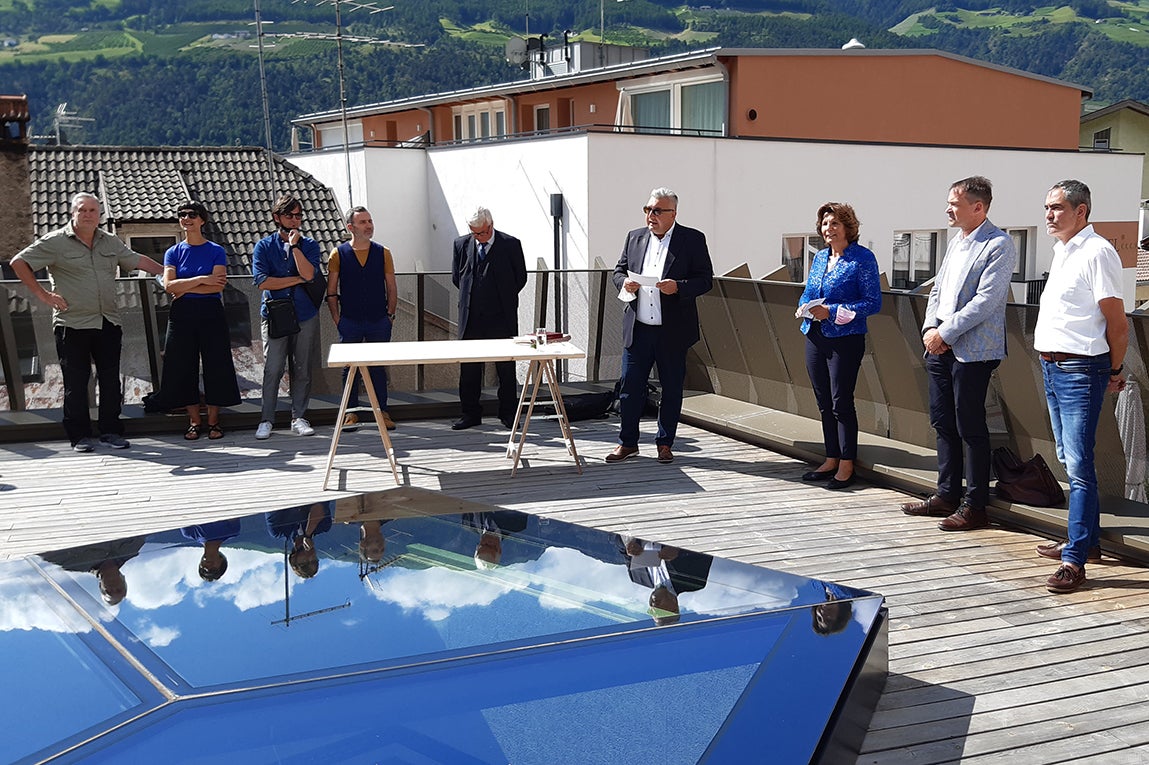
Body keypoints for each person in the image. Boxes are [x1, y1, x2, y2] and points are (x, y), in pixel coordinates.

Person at [901, 177, 1016, 530]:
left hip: (973, 351)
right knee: (942, 421)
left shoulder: (999, 244)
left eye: (954, 203)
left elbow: (986, 301)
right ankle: (946, 494)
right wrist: (929, 329)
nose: (948, 209)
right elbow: (937, 290)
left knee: (970, 425)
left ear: (978, 207)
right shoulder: (956, 241)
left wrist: (945, 333)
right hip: (939, 345)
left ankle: (975, 506)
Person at [9, 192, 163, 453]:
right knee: (76, 383)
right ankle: (79, 436)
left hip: (107, 321)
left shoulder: (109, 241)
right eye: (82, 210)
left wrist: (170, 272)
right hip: (72, 324)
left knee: (111, 381)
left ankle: (111, 432)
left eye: (93, 210)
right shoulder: (55, 241)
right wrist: (43, 295)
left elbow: (136, 260)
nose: (88, 214)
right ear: (73, 213)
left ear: (99, 214)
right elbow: (18, 263)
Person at [1033, 179, 1127, 594]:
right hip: (1052, 367)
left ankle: (1074, 561)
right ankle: (1085, 542)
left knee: (1079, 465)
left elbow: (1118, 323)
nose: (1049, 215)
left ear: (1081, 211)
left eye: (1056, 207)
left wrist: (1114, 369)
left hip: (1081, 370)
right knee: (1067, 456)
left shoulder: (1098, 252)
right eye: (1047, 207)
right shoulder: (1063, 251)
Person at [607, 187, 714, 465]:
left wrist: (678, 287)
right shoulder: (634, 237)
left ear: (673, 214)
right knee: (630, 388)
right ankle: (627, 443)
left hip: (672, 331)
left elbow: (705, 280)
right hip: (639, 328)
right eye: (647, 209)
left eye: (656, 210)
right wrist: (624, 283)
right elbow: (618, 271)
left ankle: (665, 444)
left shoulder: (692, 239)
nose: (650, 216)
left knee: (671, 389)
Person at [795, 202, 881, 489]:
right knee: (823, 402)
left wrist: (831, 311)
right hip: (814, 335)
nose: (828, 229)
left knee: (840, 402)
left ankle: (847, 464)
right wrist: (805, 306)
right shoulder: (820, 257)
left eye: (834, 223)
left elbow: (873, 302)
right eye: (825, 224)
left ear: (847, 227)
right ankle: (831, 458)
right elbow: (808, 290)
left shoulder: (862, 258)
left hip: (846, 339)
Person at [157, 200, 242, 441]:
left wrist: (185, 287)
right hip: (181, 314)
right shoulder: (173, 252)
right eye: (182, 214)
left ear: (202, 220)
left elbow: (217, 286)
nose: (186, 218)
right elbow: (168, 286)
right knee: (183, 365)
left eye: (192, 214)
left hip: (210, 311)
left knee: (216, 364)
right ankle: (194, 421)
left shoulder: (216, 250)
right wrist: (202, 279)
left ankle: (214, 421)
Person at [252, 194, 323, 440]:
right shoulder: (263, 246)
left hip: (304, 313)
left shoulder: (309, 245)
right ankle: (266, 419)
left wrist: (294, 247)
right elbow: (262, 282)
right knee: (273, 368)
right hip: (275, 314)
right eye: (289, 215)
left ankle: (299, 417)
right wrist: (296, 280)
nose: (294, 220)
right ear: (277, 217)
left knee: (302, 367)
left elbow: (309, 275)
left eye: (298, 216)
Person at [450, 206, 527, 430]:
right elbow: (457, 277)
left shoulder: (510, 244)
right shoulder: (461, 244)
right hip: (471, 317)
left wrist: (501, 298)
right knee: (469, 370)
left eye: (482, 232)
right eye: (474, 233)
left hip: (501, 317)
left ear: (491, 225)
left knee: (505, 369)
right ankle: (470, 414)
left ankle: (508, 414)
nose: (478, 237)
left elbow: (520, 277)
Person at [326, 206, 398, 432]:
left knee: (378, 367)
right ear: (351, 227)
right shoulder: (338, 254)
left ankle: (382, 412)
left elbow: (391, 286)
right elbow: (331, 289)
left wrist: (390, 315)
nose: (369, 226)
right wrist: (337, 319)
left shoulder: (383, 252)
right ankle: (350, 413)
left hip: (379, 319)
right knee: (350, 368)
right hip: (350, 320)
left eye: (370, 221)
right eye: (363, 222)